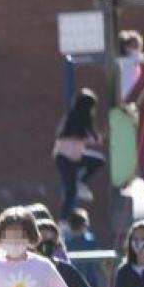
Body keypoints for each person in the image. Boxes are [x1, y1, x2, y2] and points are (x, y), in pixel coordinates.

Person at [53, 88, 104, 220]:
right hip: (64, 158)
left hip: (76, 156)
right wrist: (91, 139)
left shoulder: (86, 120)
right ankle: (63, 221)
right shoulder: (72, 117)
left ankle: (81, 182)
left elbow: (92, 137)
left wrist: (98, 137)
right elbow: (72, 136)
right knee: (71, 191)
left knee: (98, 161)